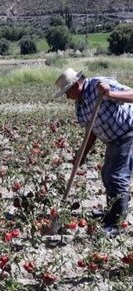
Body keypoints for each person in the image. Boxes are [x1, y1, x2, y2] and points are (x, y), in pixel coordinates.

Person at [55, 68, 133, 232]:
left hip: (128, 132)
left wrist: (110, 94)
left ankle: (116, 225)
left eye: (68, 92)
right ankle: (111, 212)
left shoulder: (98, 84)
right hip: (112, 139)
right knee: (107, 174)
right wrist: (81, 154)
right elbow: (92, 131)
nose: (68, 97)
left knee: (116, 177)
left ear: (76, 84)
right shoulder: (80, 105)